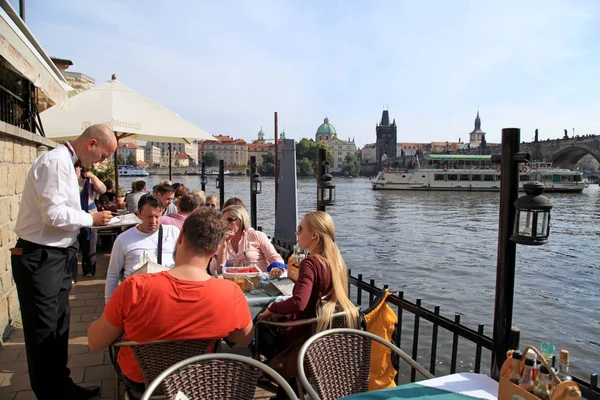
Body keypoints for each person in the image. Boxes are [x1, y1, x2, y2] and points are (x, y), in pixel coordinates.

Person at [88, 208, 253, 390]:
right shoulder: (230, 292)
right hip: (196, 380)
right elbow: (244, 339)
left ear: (180, 237)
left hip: (143, 382)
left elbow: (96, 341)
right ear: (215, 249)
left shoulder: (135, 287)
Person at [12, 124, 116, 399]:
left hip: (56, 255)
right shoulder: (57, 162)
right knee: (44, 331)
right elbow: (53, 214)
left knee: (58, 325)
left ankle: (63, 386)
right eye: (104, 155)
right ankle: (51, 393)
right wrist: (90, 219)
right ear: (92, 143)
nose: (102, 162)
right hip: (41, 256)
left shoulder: (68, 165)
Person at [257, 211, 359, 399]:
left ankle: (282, 382)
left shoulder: (311, 263)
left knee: (260, 327)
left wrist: (272, 309)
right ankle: (287, 390)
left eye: (300, 229)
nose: (296, 233)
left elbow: (298, 302)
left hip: (302, 336)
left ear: (314, 235)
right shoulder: (336, 262)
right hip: (324, 333)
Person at [104, 194, 180, 303]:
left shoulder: (173, 232)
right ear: (139, 214)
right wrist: (109, 304)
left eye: (157, 216)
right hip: (136, 299)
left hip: (166, 298)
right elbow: (113, 273)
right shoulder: (123, 239)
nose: (153, 221)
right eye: (149, 217)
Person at [210, 205, 285, 278]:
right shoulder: (219, 240)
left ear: (241, 220)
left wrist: (276, 268)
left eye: (229, 220)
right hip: (233, 282)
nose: (225, 224)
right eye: (223, 221)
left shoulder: (257, 236)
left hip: (258, 281)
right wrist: (223, 246)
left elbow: (275, 257)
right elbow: (215, 271)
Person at [73, 166, 107, 282]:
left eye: (78, 168)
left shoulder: (90, 181)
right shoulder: (68, 180)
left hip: (90, 216)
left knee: (90, 245)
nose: (77, 171)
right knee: (73, 246)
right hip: (74, 216)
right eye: (75, 168)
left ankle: (89, 270)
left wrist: (92, 176)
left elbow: (102, 190)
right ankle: (72, 274)